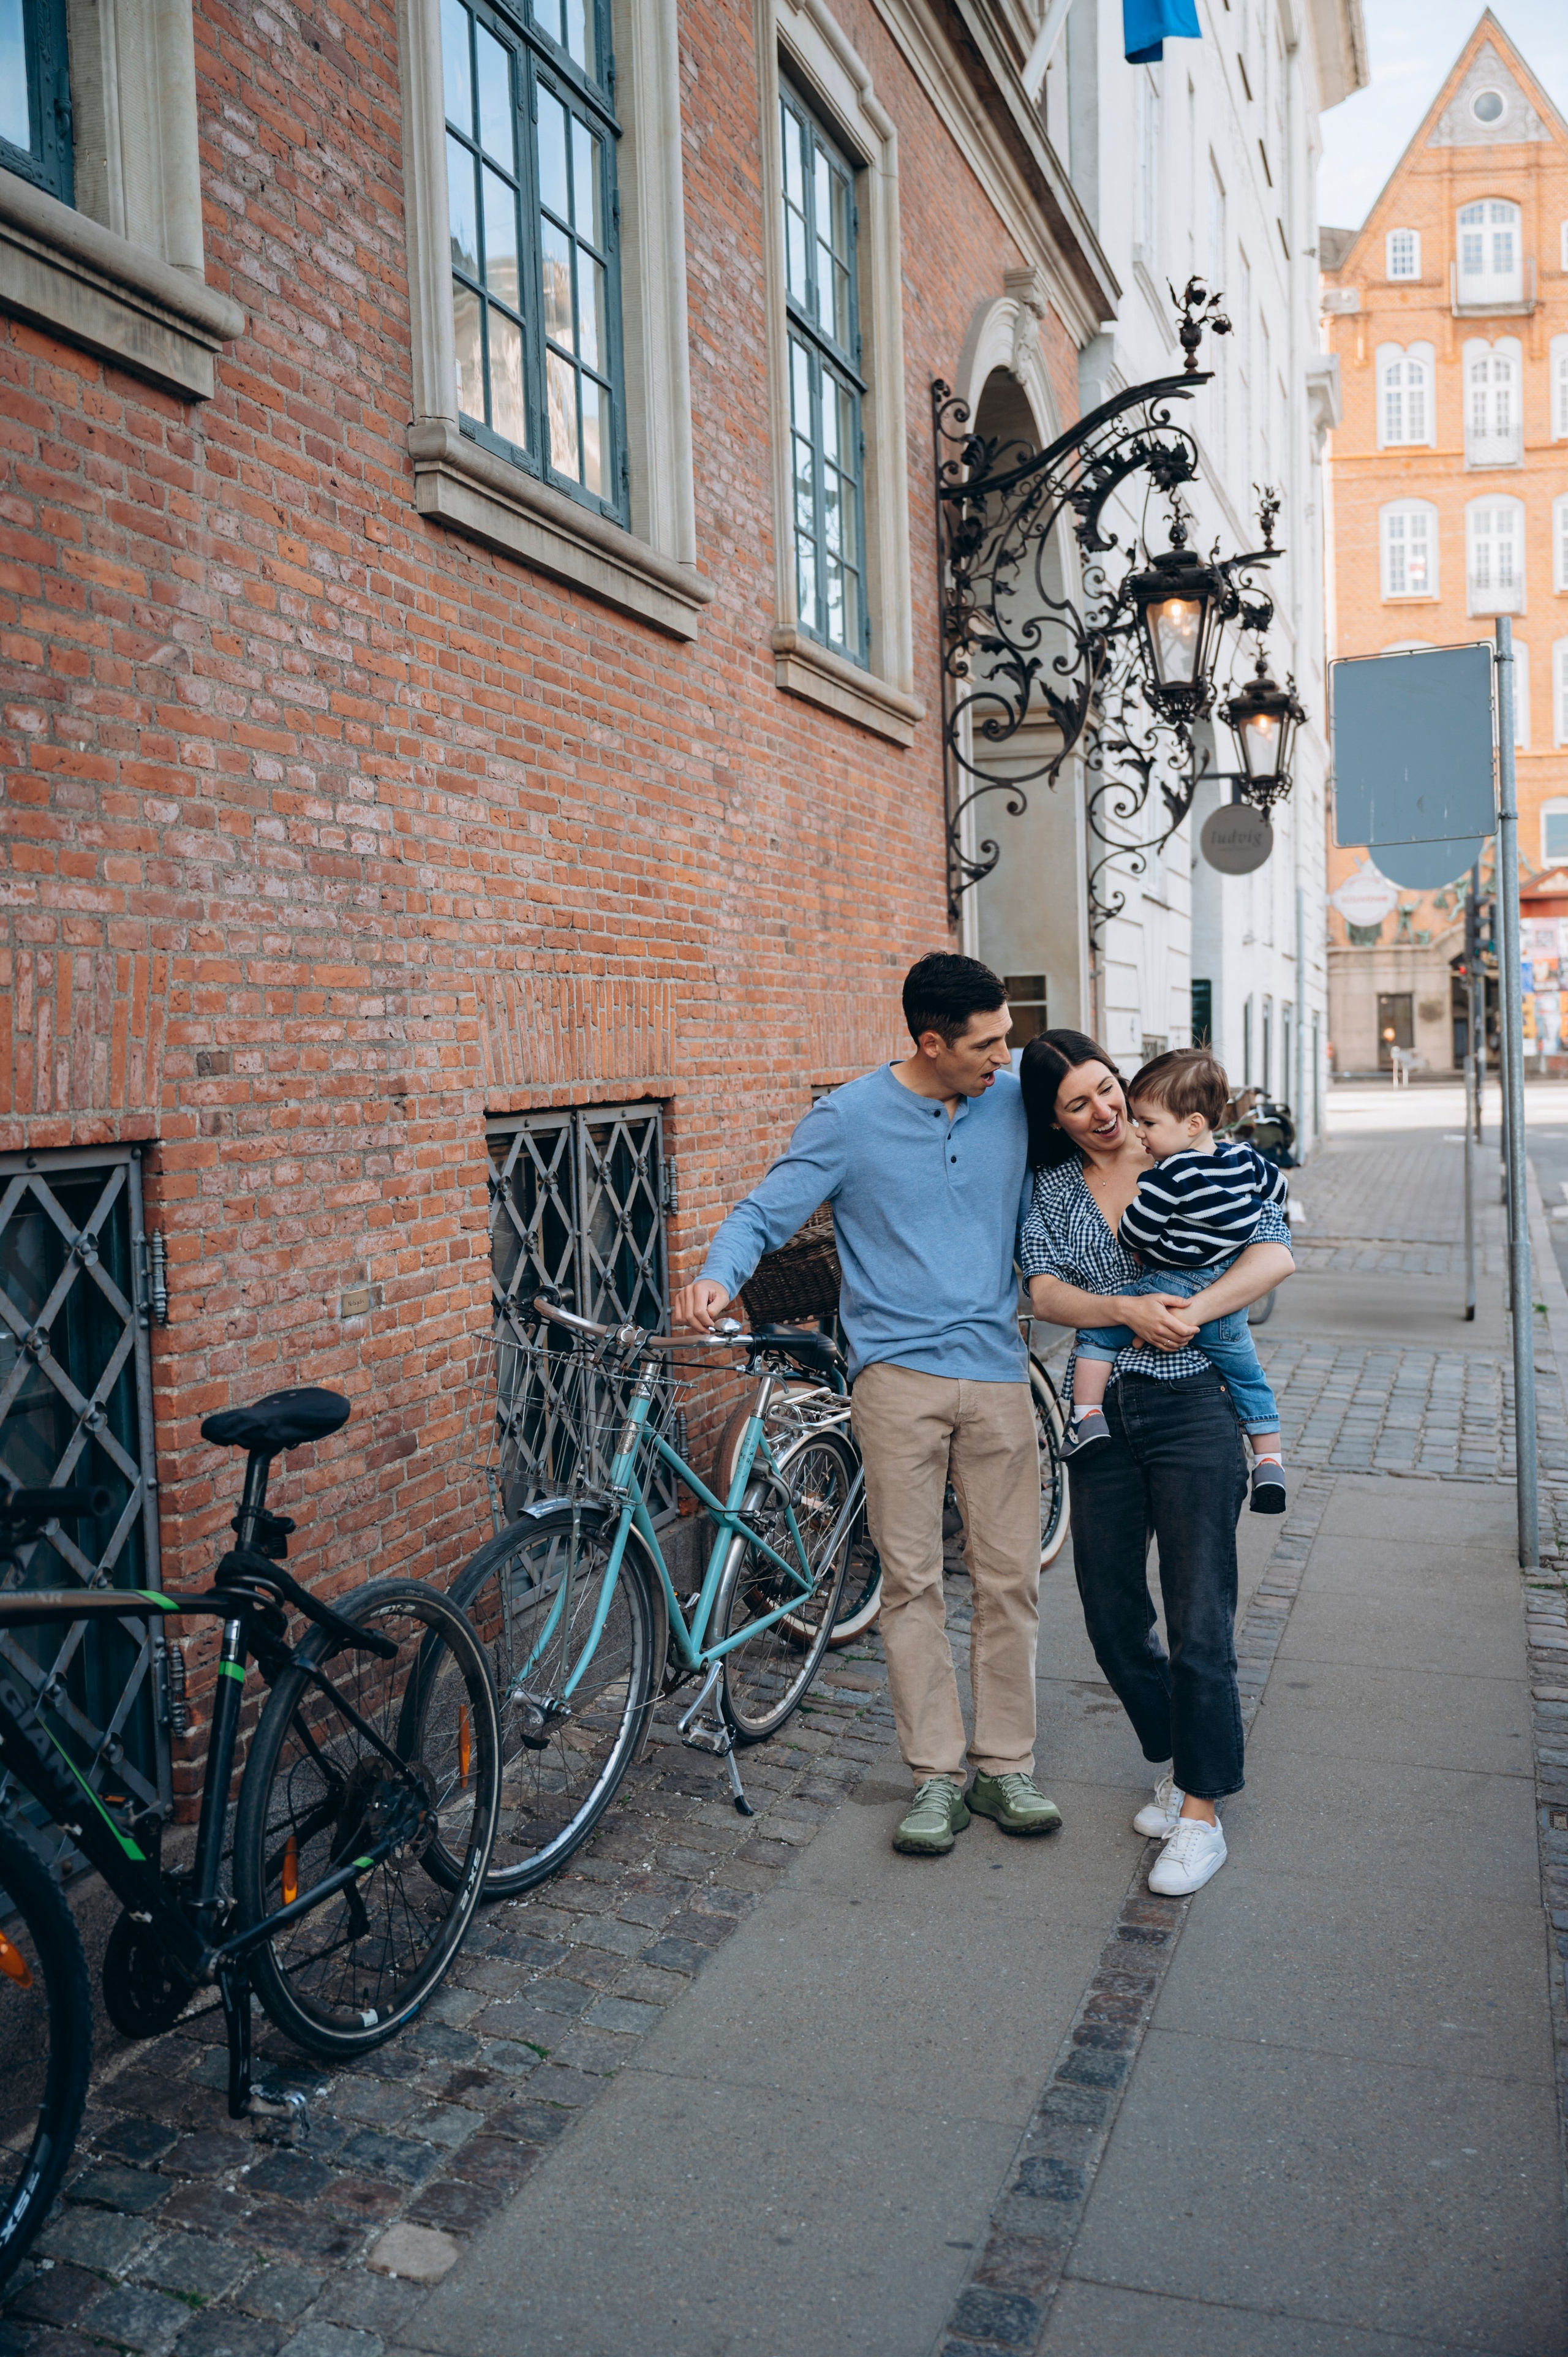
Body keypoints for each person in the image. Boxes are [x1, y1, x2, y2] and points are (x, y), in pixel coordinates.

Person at [673, 952, 1060, 1859]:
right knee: (911, 1582)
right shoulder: (847, 1118)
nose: (1005, 1057)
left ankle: (1006, 1764)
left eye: (1007, 1038)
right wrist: (715, 1277)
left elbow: (1101, 1139)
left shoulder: (1012, 1100)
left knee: (1011, 1580)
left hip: (999, 1373)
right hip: (894, 1384)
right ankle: (935, 1779)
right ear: (931, 1042)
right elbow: (764, 1214)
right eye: (988, 1044)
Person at [1017, 1030, 1294, 1898]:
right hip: (1104, 1414)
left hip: (1197, 1404)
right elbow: (1042, 1287)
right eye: (1079, 1105)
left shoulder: (1198, 1148)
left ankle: (1203, 1813)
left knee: (1199, 1615)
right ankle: (1179, 1759)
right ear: (1055, 1121)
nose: (1104, 1114)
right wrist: (1123, 1307)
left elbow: (1275, 1253)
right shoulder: (1057, 1190)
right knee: (1109, 1612)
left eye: (1107, 1091)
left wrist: (1189, 1313)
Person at [1060, 1048, 1287, 1514]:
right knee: (1248, 1376)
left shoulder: (1171, 1173)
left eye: (1149, 1123)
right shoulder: (1243, 1159)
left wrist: (1136, 1219)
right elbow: (1278, 1191)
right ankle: (1269, 1460)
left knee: (1100, 1333)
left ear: (1192, 1124)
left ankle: (1087, 1416)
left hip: (1173, 1285)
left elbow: (1137, 1232)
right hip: (1228, 1302)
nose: (1138, 1131)